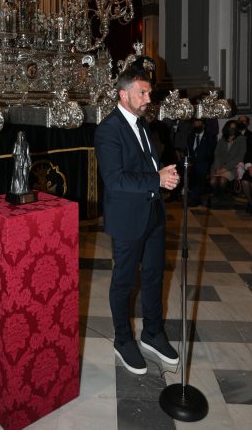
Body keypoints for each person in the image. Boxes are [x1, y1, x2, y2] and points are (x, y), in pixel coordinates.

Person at [94, 66, 180, 375]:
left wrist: (163, 176)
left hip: (154, 214)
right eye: (142, 93)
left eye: (149, 93)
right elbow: (115, 179)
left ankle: (153, 333)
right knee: (125, 281)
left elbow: (147, 166)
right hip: (128, 218)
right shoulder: (108, 129)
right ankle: (123, 339)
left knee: (155, 276)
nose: (148, 98)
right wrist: (155, 178)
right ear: (123, 93)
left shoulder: (143, 125)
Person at [209, 120, 246, 205]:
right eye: (230, 127)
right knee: (213, 181)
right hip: (218, 166)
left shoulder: (241, 139)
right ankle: (216, 196)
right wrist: (218, 167)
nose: (231, 129)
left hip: (233, 167)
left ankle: (220, 197)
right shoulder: (222, 140)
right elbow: (217, 154)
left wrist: (226, 168)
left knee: (222, 180)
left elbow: (240, 157)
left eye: (233, 128)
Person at [184, 118, 216, 206]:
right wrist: (189, 161)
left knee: (198, 170)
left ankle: (195, 198)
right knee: (179, 167)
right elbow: (187, 150)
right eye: (195, 123)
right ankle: (181, 194)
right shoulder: (190, 136)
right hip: (192, 161)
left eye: (198, 123)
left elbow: (210, 152)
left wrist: (197, 161)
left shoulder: (210, 136)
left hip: (205, 162)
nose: (196, 124)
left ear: (203, 125)